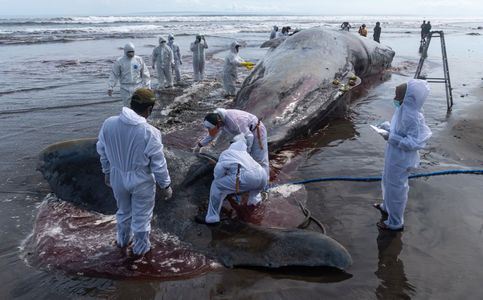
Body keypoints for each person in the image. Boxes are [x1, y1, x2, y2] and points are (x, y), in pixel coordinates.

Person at [97, 88, 172, 257]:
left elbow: (101, 149)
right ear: (150, 109)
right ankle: (140, 251)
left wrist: (107, 171)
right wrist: (165, 185)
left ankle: (122, 242)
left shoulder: (109, 123)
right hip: (141, 179)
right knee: (142, 218)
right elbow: (158, 163)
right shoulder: (150, 132)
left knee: (123, 212)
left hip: (117, 175)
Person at [373, 79, 432, 231]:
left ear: (409, 98)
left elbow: (415, 143)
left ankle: (395, 222)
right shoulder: (403, 110)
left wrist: (391, 137)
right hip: (394, 155)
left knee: (396, 189)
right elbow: (400, 130)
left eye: (398, 96)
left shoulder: (413, 116)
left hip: (402, 159)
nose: (395, 99)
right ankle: (386, 207)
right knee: (387, 180)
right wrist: (387, 127)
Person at [197, 133, 268, 224]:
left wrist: (224, 176)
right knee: (254, 192)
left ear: (232, 144)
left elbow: (218, 174)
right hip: (263, 174)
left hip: (248, 178)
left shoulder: (227, 153)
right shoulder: (244, 153)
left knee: (217, 185)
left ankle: (212, 218)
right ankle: (254, 202)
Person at [193, 108, 269, 179]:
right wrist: (199, 145)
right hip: (245, 134)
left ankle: (264, 183)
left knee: (259, 159)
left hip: (256, 130)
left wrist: (247, 152)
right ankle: (252, 180)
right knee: (249, 160)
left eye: (216, 127)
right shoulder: (218, 120)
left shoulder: (234, 120)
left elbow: (249, 136)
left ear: (219, 123)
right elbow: (211, 135)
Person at [108, 42, 151, 107]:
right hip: (125, 88)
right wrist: (110, 87)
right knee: (127, 107)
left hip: (137, 86)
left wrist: (148, 86)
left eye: (132, 52)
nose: (131, 54)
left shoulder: (139, 60)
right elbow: (114, 74)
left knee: (138, 105)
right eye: (129, 52)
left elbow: (145, 73)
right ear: (125, 51)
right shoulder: (120, 61)